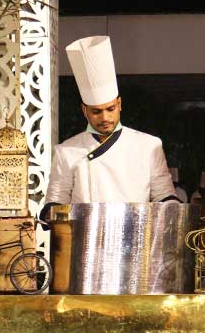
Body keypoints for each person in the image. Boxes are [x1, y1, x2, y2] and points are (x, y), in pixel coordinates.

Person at [43, 36, 178, 209]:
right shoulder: (66, 151)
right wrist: (53, 213)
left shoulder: (149, 146)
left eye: (110, 109)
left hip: (135, 225)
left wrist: (175, 210)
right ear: (84, 110)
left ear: (119, 104)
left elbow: (164, 195)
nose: (105, 118)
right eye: (96, 112)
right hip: (85, 226)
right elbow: (55, 201)